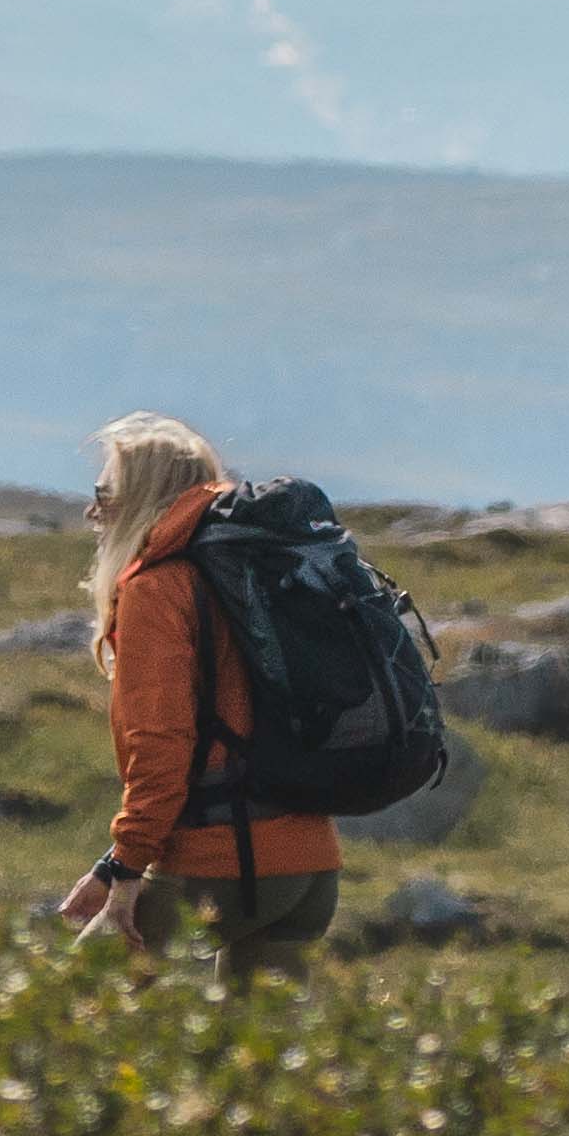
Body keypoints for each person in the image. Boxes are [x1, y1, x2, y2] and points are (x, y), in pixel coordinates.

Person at [52, 412, 340, 972]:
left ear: (141, 497)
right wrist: (111, 867)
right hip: (309, 867)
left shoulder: (158, 588)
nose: (93, 510)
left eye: (103, 492)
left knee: (74, 1014)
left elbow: (162, 749)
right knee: (262, 1056)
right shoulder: (250, 571)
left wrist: (129, 872)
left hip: (225, 865)